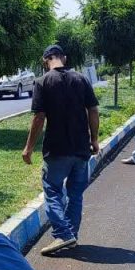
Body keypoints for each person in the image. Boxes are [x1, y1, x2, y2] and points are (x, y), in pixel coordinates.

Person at [22, 44, 100, 256]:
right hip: (81, 148)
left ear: (45, 60)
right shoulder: (81, 79)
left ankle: (64, 234)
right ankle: (71, 235)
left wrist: (28, 148)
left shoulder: (43, 82)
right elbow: (93, 110)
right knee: (75, 195)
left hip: (56, 149)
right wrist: (94, 139)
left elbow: (39, 117)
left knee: (53, 191)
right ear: (63, 58)